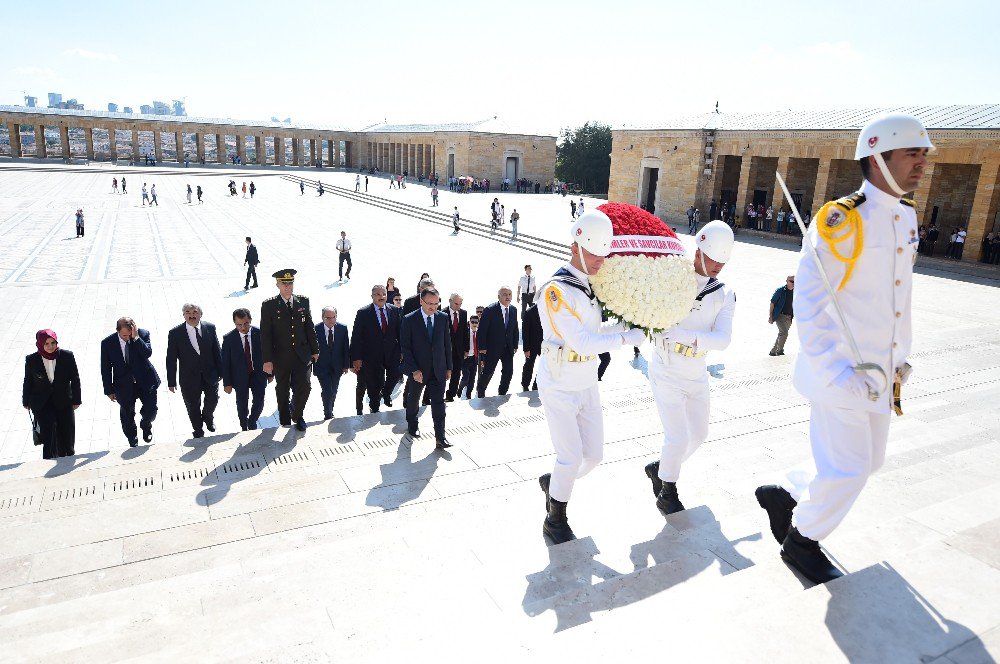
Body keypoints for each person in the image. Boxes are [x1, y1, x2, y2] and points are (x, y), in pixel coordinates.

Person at [755, 113, 932, 585]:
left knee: (868, 463)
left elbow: (894, 297)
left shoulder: (906, 213)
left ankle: (788, 493)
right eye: (911, 153)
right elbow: (810, 302)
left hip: (880, 371)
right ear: (878, 158)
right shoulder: (842, 219)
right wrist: (836, 371)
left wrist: (899, 360)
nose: (921, 162)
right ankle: (802, 542)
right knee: (850, 468)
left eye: (922, 153)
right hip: (840, 371)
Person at [536, 211, 646, 544]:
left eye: (603, 252)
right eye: (595, 252)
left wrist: (628, 326)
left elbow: (595, 331)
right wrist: (626, 339)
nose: (601, 260)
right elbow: (581, 341)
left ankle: (555, 483)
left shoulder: (587, 287)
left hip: (586, 380)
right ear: (575, 247)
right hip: (559, 381)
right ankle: (555, 519)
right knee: (569, 456)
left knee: (594, 455)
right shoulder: (556, 291)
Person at [643, 220, 736, 516]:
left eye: (723, 261)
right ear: (698, 252)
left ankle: (662, 467)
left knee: (699, 433)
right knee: (678, 436)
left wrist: (688, 336)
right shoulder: (672, 277)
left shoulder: (723, 293)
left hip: (696, 369)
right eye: (713, 259)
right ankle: (667, 492)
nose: (718, 266)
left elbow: (723, 340)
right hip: (666, 366)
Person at [260, 269, 320, 431]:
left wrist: (315, 349)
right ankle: (285, 419)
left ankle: (297, 414)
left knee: (305, 386)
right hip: (281, 356)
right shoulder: (269, 305)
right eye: (284, 284)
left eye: (290, 283)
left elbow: (309, 327)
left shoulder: (303, 301)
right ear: (278, 285)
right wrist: (267, 360)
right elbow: (265, 335)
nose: (287, 287)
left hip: (302, 354)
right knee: (282, 388)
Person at [400, 287, 452, 448]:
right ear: (421, 301)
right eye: (430, 303)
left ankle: (440, 437)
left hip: (438, 369)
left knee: (438, 404)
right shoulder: (409, 319)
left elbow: (447, 345)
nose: (433, 307)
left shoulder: (443, 318)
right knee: (413, 400)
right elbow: (405, 348)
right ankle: (413, 425)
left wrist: (449, 367)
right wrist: (414, 370)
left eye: (436, 303)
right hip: (418, 371)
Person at [100, 317, 160, 447]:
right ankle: (132, 437)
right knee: (127, 414)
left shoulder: (143, 334)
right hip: (123, 385)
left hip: (145, 380)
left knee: (151, 410)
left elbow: (147, 353)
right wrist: (108, 390)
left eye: (129, 334)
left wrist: (136, 338)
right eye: (124, 335)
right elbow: (105, 368)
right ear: (117, 331)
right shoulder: (107, 343)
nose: (127, 338)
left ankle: (146, 425)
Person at [166, 304, 223, 439]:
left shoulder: (210, 327)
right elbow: (171, 358)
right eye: (188, 312)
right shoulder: (175, 333)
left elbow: (217, 351)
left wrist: (222, 372)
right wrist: (171, 381)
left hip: (210, 374)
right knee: (192, 406)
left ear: (200, 314)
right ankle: (198, 429)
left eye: (195, 312)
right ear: (183, 315)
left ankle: (208, 417)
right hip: (189, 378)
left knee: (213, 400)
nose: (191, 315)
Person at [23, 329, 81, 459]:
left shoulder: (67, 356)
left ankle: (67, 458)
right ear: (40, 344)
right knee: (49, 433)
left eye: (53, 342)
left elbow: (75, 378)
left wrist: (77, 399)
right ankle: (49, 461)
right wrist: (25, 401)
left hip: (64, 400)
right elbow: (28, 381)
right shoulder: (31, 360)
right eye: (47, 343)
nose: (50, 346)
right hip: (41, 402)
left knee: (66, 432)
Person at [350, 284, 403, 413]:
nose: (381, 297)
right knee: (374, 384)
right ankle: (374, 406)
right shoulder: (363, 313)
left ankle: (386, 393)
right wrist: (355, 358)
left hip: (392, 353)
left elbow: (400, 332)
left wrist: (402, 350)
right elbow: (356, 336)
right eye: (378, 294)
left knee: (396, 374)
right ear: (372, 296)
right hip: (372, 355)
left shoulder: (394, 310)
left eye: (384, 294)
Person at [221, 308, 271, 431]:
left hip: (258, 374)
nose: (243, 327)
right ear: (235, 323)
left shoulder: (260, 333)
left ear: (250, 320)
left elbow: (269, 354)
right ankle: (244, 425)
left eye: (246, 323)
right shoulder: (229, 339)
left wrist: (271, 373)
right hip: (239, 377)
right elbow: (225, 363)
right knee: (242, 403)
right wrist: (227, 383)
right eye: (239, 325)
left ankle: (252, 420)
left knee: (259, 401)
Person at [475, 286, 519, 398]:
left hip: (508, 348)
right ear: (499, 296)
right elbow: (482, 330)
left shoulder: (513, 309)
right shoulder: (490, 310)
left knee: (508, 372)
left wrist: (515, 344)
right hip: (492, 348)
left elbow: (515, 328)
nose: (507, 296)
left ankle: (502, 392)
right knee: (488, 371)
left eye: (509, 294)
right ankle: (480, 390)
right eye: (505, 294)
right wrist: (482, 347)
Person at [315, 306, 350, 420]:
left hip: (337, 366)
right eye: (328, 318)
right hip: (322, 367)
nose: (331, 320)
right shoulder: (315, 329)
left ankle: (330, 409)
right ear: (322, 318)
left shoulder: (342, 328)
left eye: (333, 317)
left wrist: (346, 365)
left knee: (333, 390)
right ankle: (328, 413)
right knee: (327, 390)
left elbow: (345, 348)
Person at [443, 293, 469, 402]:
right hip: (444, 351)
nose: (458, 306)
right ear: (450, 301)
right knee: (441, 375)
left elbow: (464, 332)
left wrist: (466, 349)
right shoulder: (442, 313)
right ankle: (432, 396)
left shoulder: (463, 313)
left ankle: (450, 396)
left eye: (460, 304)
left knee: (456, 374)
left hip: (458, 351)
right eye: (456, 303)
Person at [768, 276, 795, 356]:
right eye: (792, 281)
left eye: (795, 282)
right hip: (780, 315)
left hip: (789, 317)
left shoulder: (797, 291)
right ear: (787, 281)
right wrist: (771, 316)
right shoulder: (780, 291)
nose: (794, 283)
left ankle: (773, 351)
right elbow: (772, 303)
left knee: (781, 334)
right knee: (784, 333)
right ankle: (780, 351)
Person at [520, 302, 542, 392]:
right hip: (531, 345)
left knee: (544, 366)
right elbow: (525, 332)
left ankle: (536, 385)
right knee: (529, 366)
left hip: (545, 345)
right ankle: (525, 385)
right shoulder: (529, 312)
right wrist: (526, 349)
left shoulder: (549, 311)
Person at [458, 315, 480, 399]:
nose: (474, 324)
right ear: (469, 323)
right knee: (466, 376)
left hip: (474, 359)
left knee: (472, 378)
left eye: (476, 322)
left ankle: (468, 395)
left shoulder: (479, 333)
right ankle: (460, 388)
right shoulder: (466, 332)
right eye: (472, 322)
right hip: (465, 359)